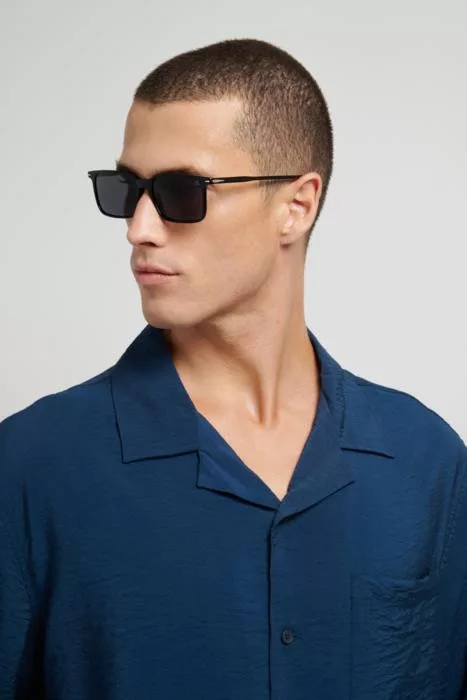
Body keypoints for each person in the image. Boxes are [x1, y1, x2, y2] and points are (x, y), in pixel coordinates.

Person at [0, 37, 466, 700]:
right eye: (126, 190)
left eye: (180, 191)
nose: (138, 228)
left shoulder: (425, 460)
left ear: (296, 206)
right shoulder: (30, 464)